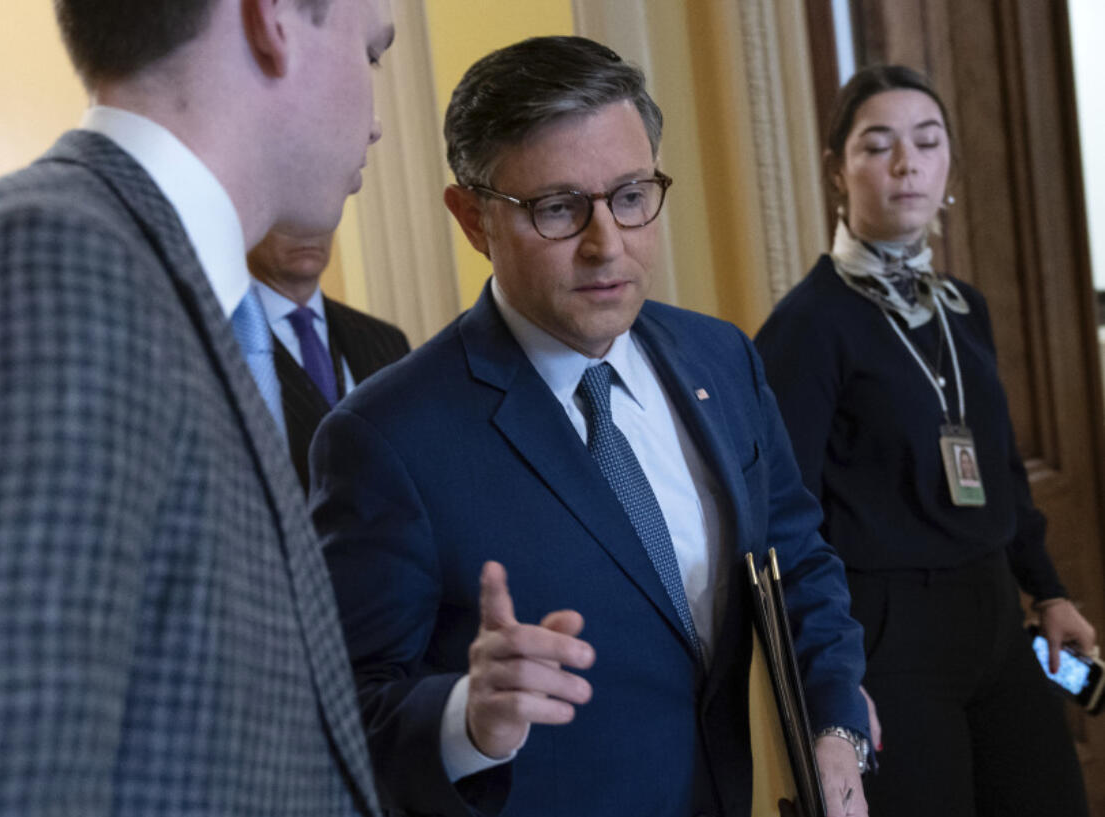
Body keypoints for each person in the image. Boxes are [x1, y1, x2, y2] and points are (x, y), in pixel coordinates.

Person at [310, 35, 871, 817]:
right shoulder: (385, 439)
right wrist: (468, 718)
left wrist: (837, 725)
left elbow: (799, 562)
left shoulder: (721, 358)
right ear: (472, 218)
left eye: (632, 195)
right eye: (559, 208)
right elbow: (339, 720)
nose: (608, 244)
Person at [0, 0, 393, 814]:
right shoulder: (44, 271)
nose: (376, 121)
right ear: (273, 21)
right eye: (371, 55)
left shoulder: (166, 289)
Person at [754, 64, 1097, 817]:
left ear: (946, 168)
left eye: (927, 141)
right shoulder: (807, 327)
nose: (906, 163)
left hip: (994, 618)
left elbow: (1002, 471)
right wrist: (828, 691)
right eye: (878, 145)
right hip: (885, 638)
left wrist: (1050, 589)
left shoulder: (963, 308)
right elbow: (784, 525)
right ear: (838, 173)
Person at [248, 227, 409, 492]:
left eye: (319, 213)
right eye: (289, 213)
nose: (307, 229)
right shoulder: (221, 341)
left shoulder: (386, 340)